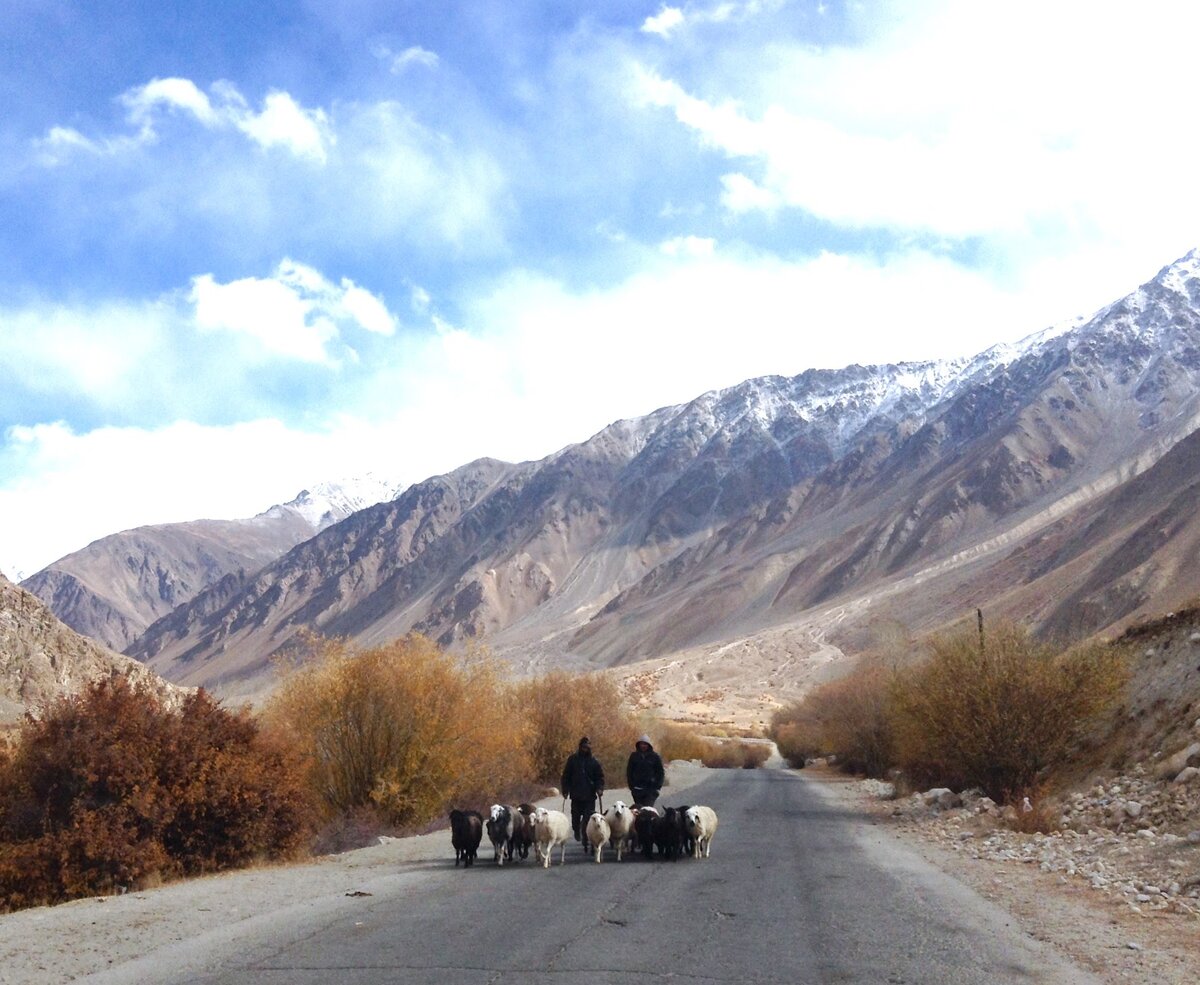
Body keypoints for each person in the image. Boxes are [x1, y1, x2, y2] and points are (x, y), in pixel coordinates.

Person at [560, 736, 605, 848]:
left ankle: (587, 837)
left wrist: (599, 788)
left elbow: (600, 777)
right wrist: (565, 790)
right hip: (576, 795)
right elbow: (566, 776)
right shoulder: (572, 760)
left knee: (588, 818)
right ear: (580, 747)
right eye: (584, 747)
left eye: (587, 747)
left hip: (590, 795)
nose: (585, 749)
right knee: (575, 817)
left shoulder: (594, 762)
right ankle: (576, 830)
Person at [626, 734, 665, 807]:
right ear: (639, 745)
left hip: (651, 789)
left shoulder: (655, 757)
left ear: (649, 745)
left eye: (645, 744)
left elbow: (660, 772)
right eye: (642, 744)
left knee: (647, 809)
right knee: (639, 810)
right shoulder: (634, 756)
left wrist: (658, 787)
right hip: (637, 789)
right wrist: (632, 786)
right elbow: (629, 771)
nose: (643, 746)